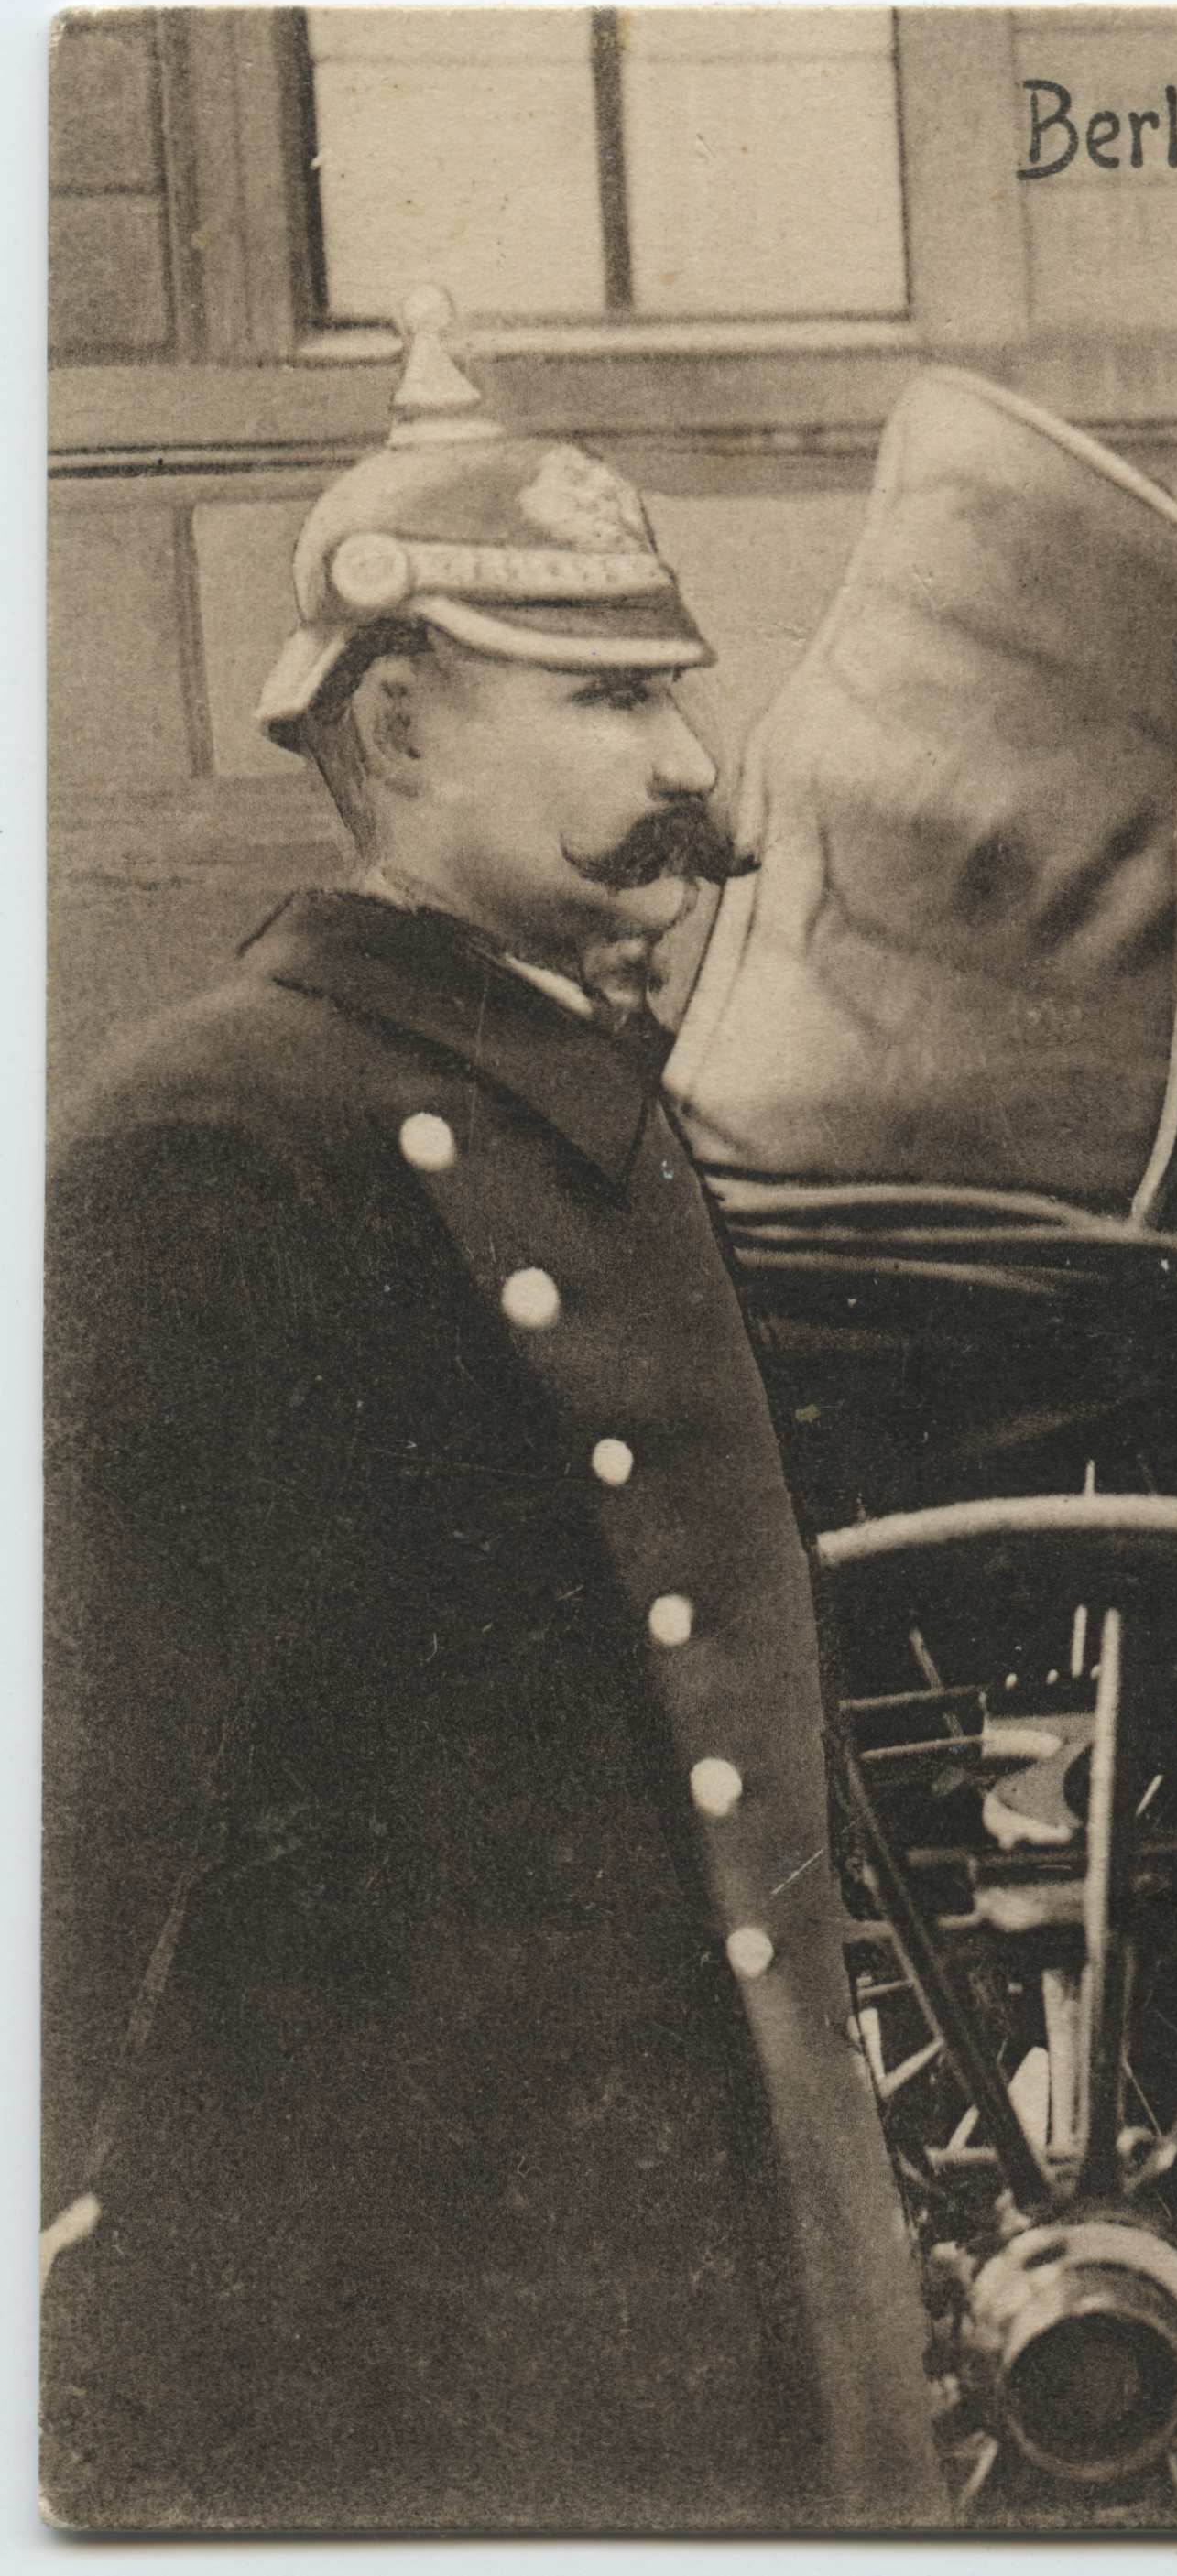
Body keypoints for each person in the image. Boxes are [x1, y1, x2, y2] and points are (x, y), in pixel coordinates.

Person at [42, 297, 943, 2529]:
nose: (690, 762)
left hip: (690, 2232)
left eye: (675, 690)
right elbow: (93, 1787)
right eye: (610, 698)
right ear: (404, 721)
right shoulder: (219, 1133)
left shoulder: (561, 1085)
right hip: (401, 2302)